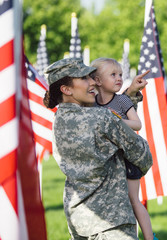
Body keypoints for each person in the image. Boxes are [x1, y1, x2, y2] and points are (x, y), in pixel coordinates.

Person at [43, 58, 153, 240]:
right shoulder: (102, 118)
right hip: (113, 222)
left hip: (79, 220)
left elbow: (106, 106)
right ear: (66, 89)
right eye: (85, 78)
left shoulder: (58, 121)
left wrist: (130, 94)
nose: (93, 81)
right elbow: (143, 155)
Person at [90, 58, 155, 240]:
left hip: (128, 158)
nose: (119, 78)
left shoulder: (122, 101)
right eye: (113, 75)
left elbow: (137, 124)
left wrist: (115, 120)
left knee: (133, 200)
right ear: (98, 80)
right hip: (108, 161)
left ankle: (150, 237)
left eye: (120, 74)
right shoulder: (92, 103)